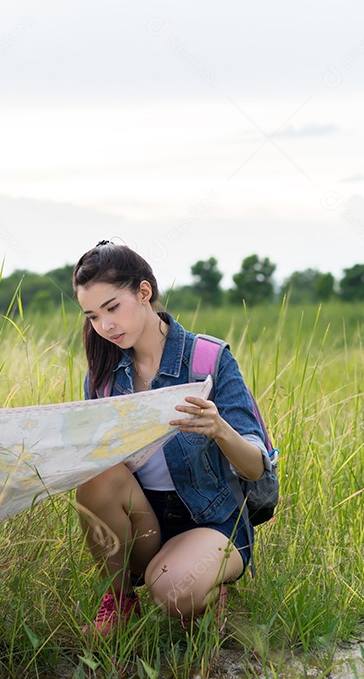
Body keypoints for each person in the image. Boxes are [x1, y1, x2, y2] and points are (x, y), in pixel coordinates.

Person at [73, 240, 274, 634]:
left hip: (212, 521)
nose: (106, 326)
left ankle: (207, 588)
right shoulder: (104, 375)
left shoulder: (207, 359)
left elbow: (255, 468)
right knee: (94, 474)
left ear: (144, 292)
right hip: (146, 521)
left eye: (113, 308)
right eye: (93, 316)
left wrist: (219, 429)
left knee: (174, 592)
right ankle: (118, 601)